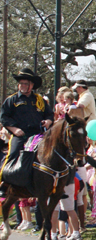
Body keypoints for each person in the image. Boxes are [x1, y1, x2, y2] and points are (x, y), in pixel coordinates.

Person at [0, 68, 54, 196]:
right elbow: (3, 117)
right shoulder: (11, 100)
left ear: (32, 85)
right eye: (21, 83)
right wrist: (15, 129)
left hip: (39, 135)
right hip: (21, 135)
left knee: (52, 154)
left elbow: (50, 114)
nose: (23, 86)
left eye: (26, 83)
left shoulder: (39, 100)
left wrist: (48, 121)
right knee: (12, 154)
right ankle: (4, 183)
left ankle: (57, 184)